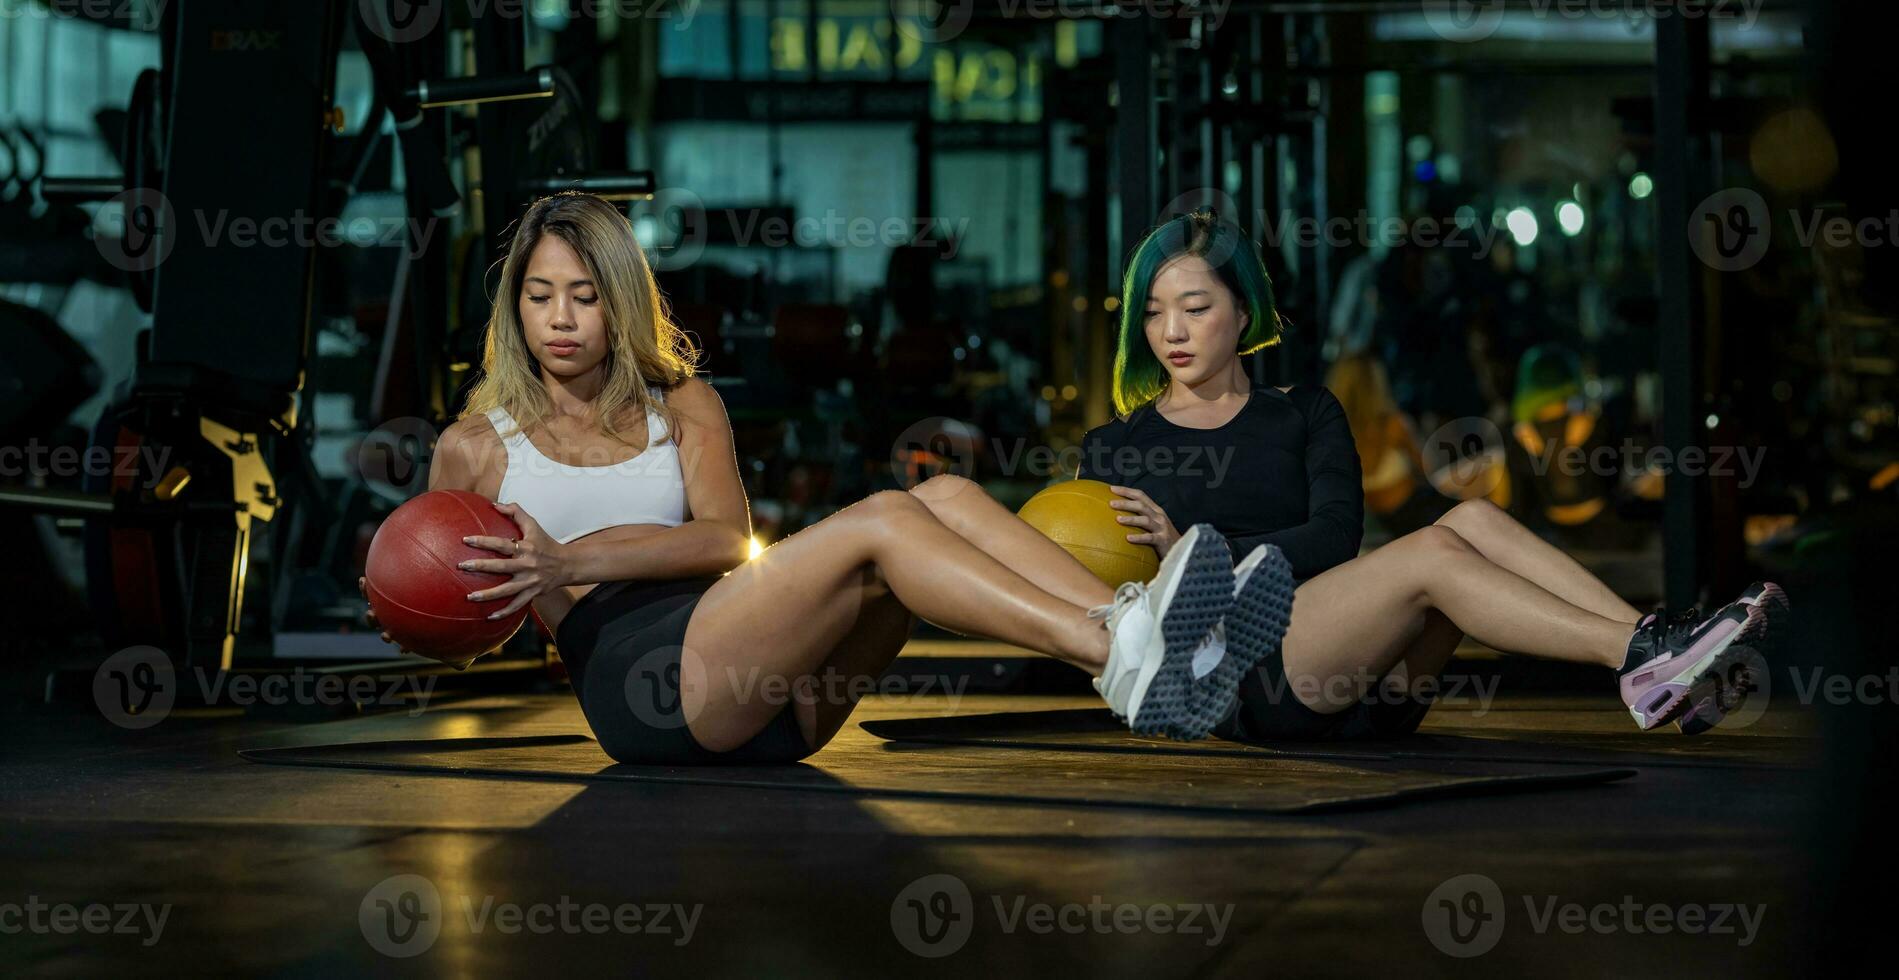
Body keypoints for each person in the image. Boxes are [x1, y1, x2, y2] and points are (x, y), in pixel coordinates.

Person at [358, 193, 1264, 764]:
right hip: (653, 693)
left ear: (621, 302)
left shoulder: (684, 405)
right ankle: (1120, 658)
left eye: (586, 296)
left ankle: (1136, 633)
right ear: (513, 307)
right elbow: (467, 609)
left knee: (939, 499)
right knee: (878, 520)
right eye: (540, 295)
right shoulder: (477, 445)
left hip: (772, 694)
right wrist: (420, 615)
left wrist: (569, 556)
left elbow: (722, 540)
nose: (561, 317)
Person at [1074, 210, 1787, 739]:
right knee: (1432, 551)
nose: (1172, 332)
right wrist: (1180, 564)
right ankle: (1639, 658)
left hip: (1366, 678)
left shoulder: (1305, 411)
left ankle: (1651, 646)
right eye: (1155, 314)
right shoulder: (1114, 447)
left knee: (1470, 520)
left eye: (1195, 308)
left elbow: (1333, 536)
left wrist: (1207, 549)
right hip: (1246, 688)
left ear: (1241, 310)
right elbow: (1108, 615)